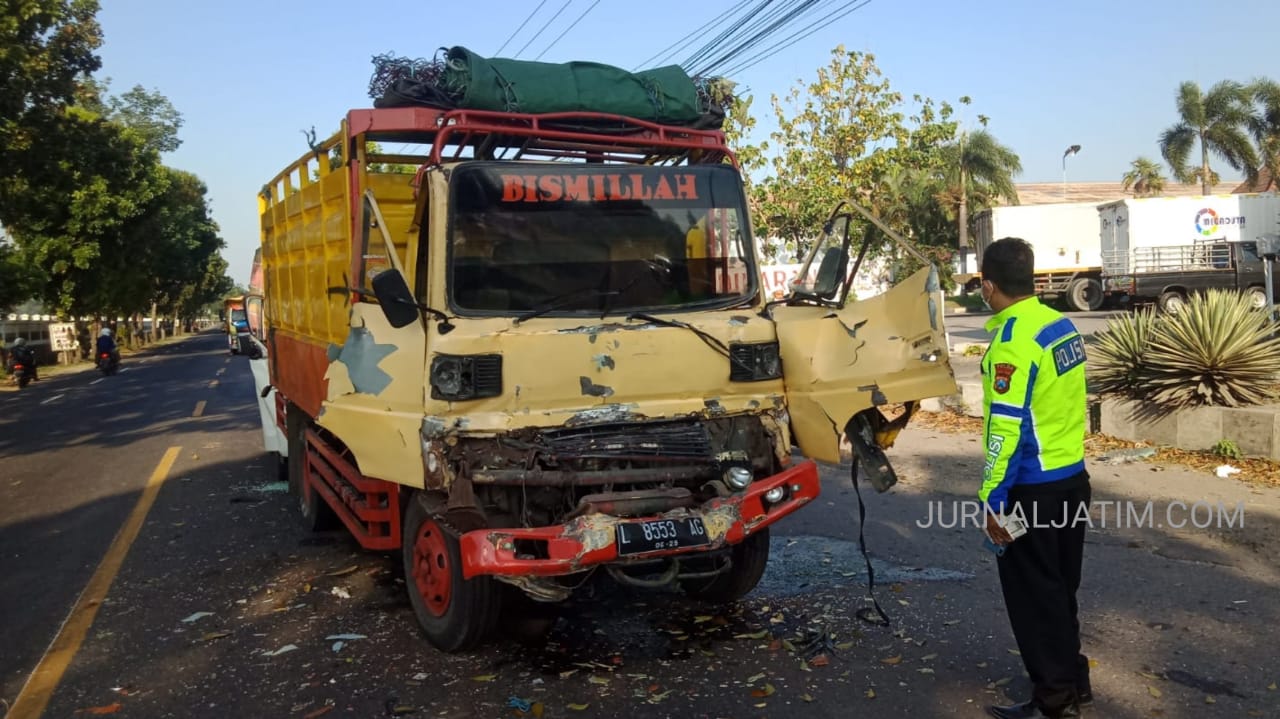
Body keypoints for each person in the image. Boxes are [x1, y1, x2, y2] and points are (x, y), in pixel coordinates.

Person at [977, 237, 1092, 719]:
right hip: (1072, 479)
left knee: (1032, 596)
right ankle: (1072, 680)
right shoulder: (1060, 326)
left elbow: (1007, 427)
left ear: (988, 286)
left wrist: (992, 499)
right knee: (1059, 588)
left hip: (1031, 488)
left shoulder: (1013, 344)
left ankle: (1055, 701)